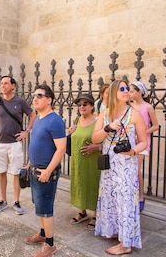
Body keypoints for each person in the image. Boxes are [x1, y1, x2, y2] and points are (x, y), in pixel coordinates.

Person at [92, 79, 147, 255]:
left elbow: (144, 142)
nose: (126, 91)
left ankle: (126, 243)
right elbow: (95, 139)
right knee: (109, 199)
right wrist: (108, 128)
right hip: (109, 165)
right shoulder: (104, 114)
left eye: (127, 89)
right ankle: (113, 231)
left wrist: (132, 152)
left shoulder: (135, 114)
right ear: (115, 92)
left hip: (126, 165)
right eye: (122, 88)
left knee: (125, 201)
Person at [0, 75, 36, 215]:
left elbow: (32, 115)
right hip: (0, 143)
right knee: (1, 172)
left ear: (13, 86)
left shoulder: (19, 101)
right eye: (1, 83)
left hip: (15, 143)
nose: (3, 86)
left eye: (6, 83)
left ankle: (16, 201)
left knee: (16, 173)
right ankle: (3, 200)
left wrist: (27, 131)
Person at [24, 84, 66, 257]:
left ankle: (49, 244)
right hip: (35, 170)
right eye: (34, 95)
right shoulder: (39, 118)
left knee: (46, 209)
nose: (35, 98)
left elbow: (61, 149)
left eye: (40, 95)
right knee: (39, 206)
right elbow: (37, 144)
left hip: (46, 173)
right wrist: (29, 163)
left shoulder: (55, 120)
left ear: (49, 100)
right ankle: (42, 234)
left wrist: (48, 171)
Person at [67, 93, 101, 230]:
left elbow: (108, 141)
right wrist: (69, 132)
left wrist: (96, 147)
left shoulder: (99, 120)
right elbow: (72, 137)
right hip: (78, 161)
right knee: (80, 183)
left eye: (85, 104)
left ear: (92, 106)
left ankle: (96, 215)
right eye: (79, 104)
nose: (81, 107)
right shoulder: (77, 120)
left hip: (93, 162)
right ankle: (82, 211)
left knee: (93, 184)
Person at [130, 81, 159, 212]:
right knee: (131, 169)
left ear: (140, 92)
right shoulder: (130, 106)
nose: (129, 93)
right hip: (131, 141)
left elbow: (156, 126)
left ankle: (140, 196)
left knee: (136, 169)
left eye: (131, 91)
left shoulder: (148, 107)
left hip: (142, 142)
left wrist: (143, 133)